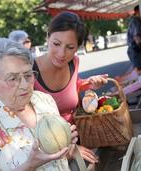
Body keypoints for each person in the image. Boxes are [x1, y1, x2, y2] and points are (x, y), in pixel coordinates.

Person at [0, 37, 79, 171]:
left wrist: (67, 146)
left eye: (28, 75)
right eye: (13, 78)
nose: (25, 85)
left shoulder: (45, 100)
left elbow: (61, 159)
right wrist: (29, 166)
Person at [33, 11, 108, 164]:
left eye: (70, 47)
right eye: (56, 44)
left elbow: (72, 89)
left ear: (78, 48)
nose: (61, 53)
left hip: (79, 138)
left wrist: (87, 84)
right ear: (48, 37)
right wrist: (70, 149)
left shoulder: (74, 63)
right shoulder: (29, 72)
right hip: (48, 153)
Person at [127, 5, 141, 74]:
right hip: (134, 50)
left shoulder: (138, 21)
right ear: (137, 11)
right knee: (138, 71)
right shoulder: (135, 21)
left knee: (139, 70)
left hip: (136, 50)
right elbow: (136, 37)